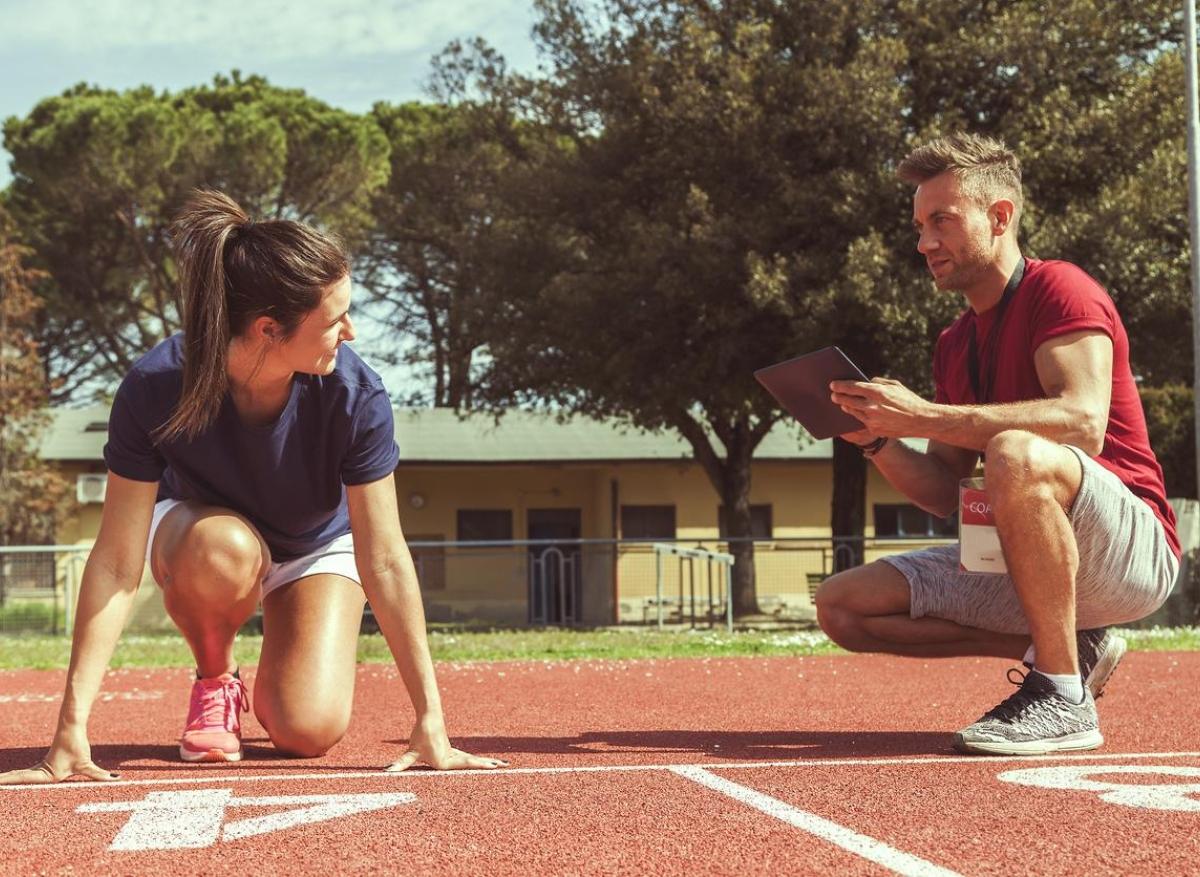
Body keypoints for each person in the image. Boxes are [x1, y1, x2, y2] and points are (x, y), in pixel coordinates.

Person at [0, 190, 505, 784]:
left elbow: (386, 559)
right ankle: (215, 678)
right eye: (334, 318)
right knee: (227, 548)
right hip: (204, 541)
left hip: (313, 544)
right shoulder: (155, 386)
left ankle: (276, 673)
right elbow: (114, 561)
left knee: (308, 729)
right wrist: (69, 731)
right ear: (269, 328)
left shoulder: (355, 394)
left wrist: (431, 722)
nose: (352, 331)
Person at [815, 133, 1180, 756]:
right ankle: (1064, 651)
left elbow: (1082, 421)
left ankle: (1061, 697)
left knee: (1015, 450)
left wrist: (927, 415)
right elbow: (942, 493)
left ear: (1000, 215)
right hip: (1027, 557)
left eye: (942, 221)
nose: (925, 242)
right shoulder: (954, 343)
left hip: (1128, 550)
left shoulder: (1061, 288)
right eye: (919, 225)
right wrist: (877, 440)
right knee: (841, 606)